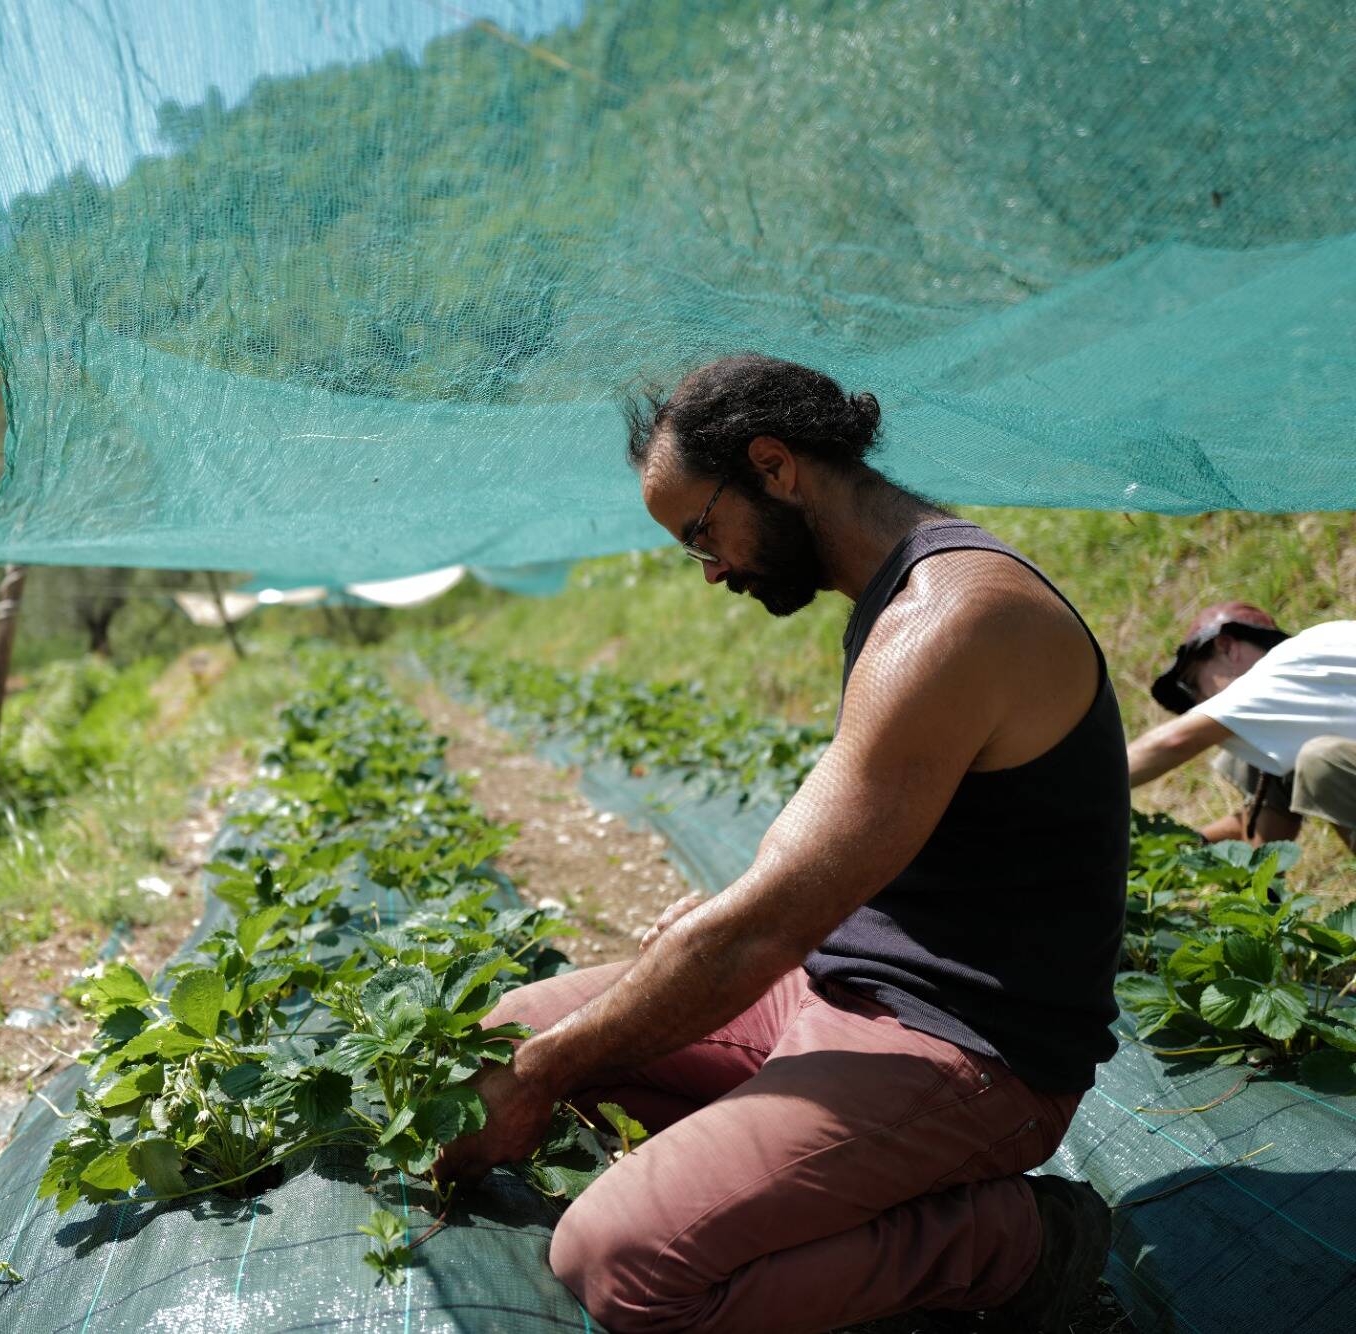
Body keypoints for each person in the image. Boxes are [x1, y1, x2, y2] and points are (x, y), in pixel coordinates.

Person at [436, 353, 1124, 1334]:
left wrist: (547, 1073)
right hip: (837, 984)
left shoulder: (952, 620)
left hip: (968, 1049)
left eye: (700, 532)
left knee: (618, 1261)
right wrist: (544, 1053)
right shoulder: (896, 595)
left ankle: (1013, 1242)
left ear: (773, 465)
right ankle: (781, 1195)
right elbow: (833, 836)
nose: (710, 568)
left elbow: (754, 933)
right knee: (507, 1034)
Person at [1128, 603, 1356, 850]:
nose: (1199, 702)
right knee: (1259, 759)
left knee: (1321, 760)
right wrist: (1171, 848)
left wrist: (1085, 784)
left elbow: (1174, 742)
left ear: (1227, 648)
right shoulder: (1308, 676)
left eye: (1194, 685)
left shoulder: (1274, 675)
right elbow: (1260, 822)